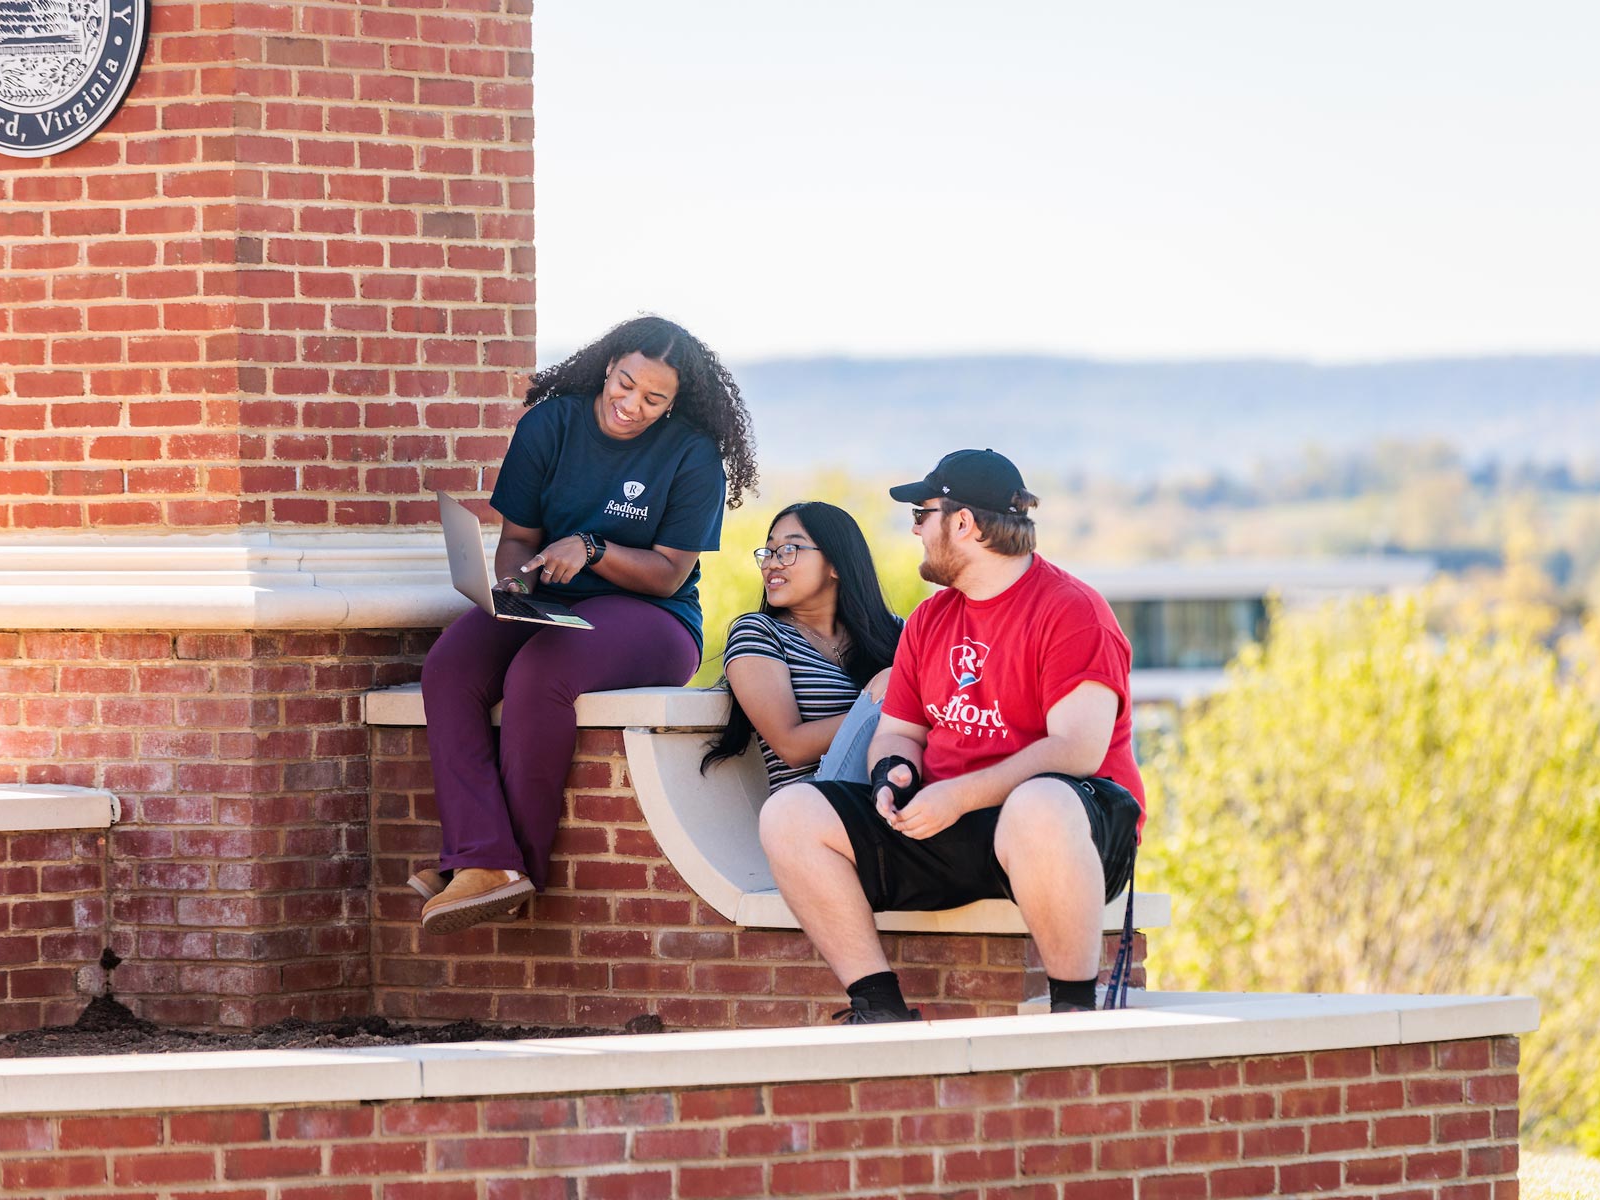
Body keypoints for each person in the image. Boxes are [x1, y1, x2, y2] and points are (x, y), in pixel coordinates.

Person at [758, 449, 1144, 1022]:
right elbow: (899, 733)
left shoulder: (1072, 610)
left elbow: (1076, 750)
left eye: (922, 513)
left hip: (1067, 829)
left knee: (1038, 801)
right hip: (948, 820)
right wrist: (896, 774)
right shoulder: (929, 619)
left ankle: (1073, 1015)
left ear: (962, 522)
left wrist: (958, 795)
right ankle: (879, 1008)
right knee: (790, 814)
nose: (914, 528)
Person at [414, 315, 758, 935]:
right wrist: (514, 591)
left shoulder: (692, 455)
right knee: (450, 666)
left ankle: (512, 867)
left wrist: (594, 547)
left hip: (653, 620)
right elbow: (518, 540)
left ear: (677, 402)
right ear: (608, 365)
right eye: (625, 384)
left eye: (654, 399)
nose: (632, 405)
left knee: (541, 673)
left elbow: (669, 575)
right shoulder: (551, 424)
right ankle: (484, 855)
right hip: (550, 603)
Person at [702, 502, 904, 792]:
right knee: (891, 681)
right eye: (769, 552)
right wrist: (886, 705)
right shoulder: (759, 633)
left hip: (891, 784)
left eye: (789, 550)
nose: (771, 563)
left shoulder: (893, 631)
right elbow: (790, 746)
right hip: (812, 801)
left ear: (836, 564)